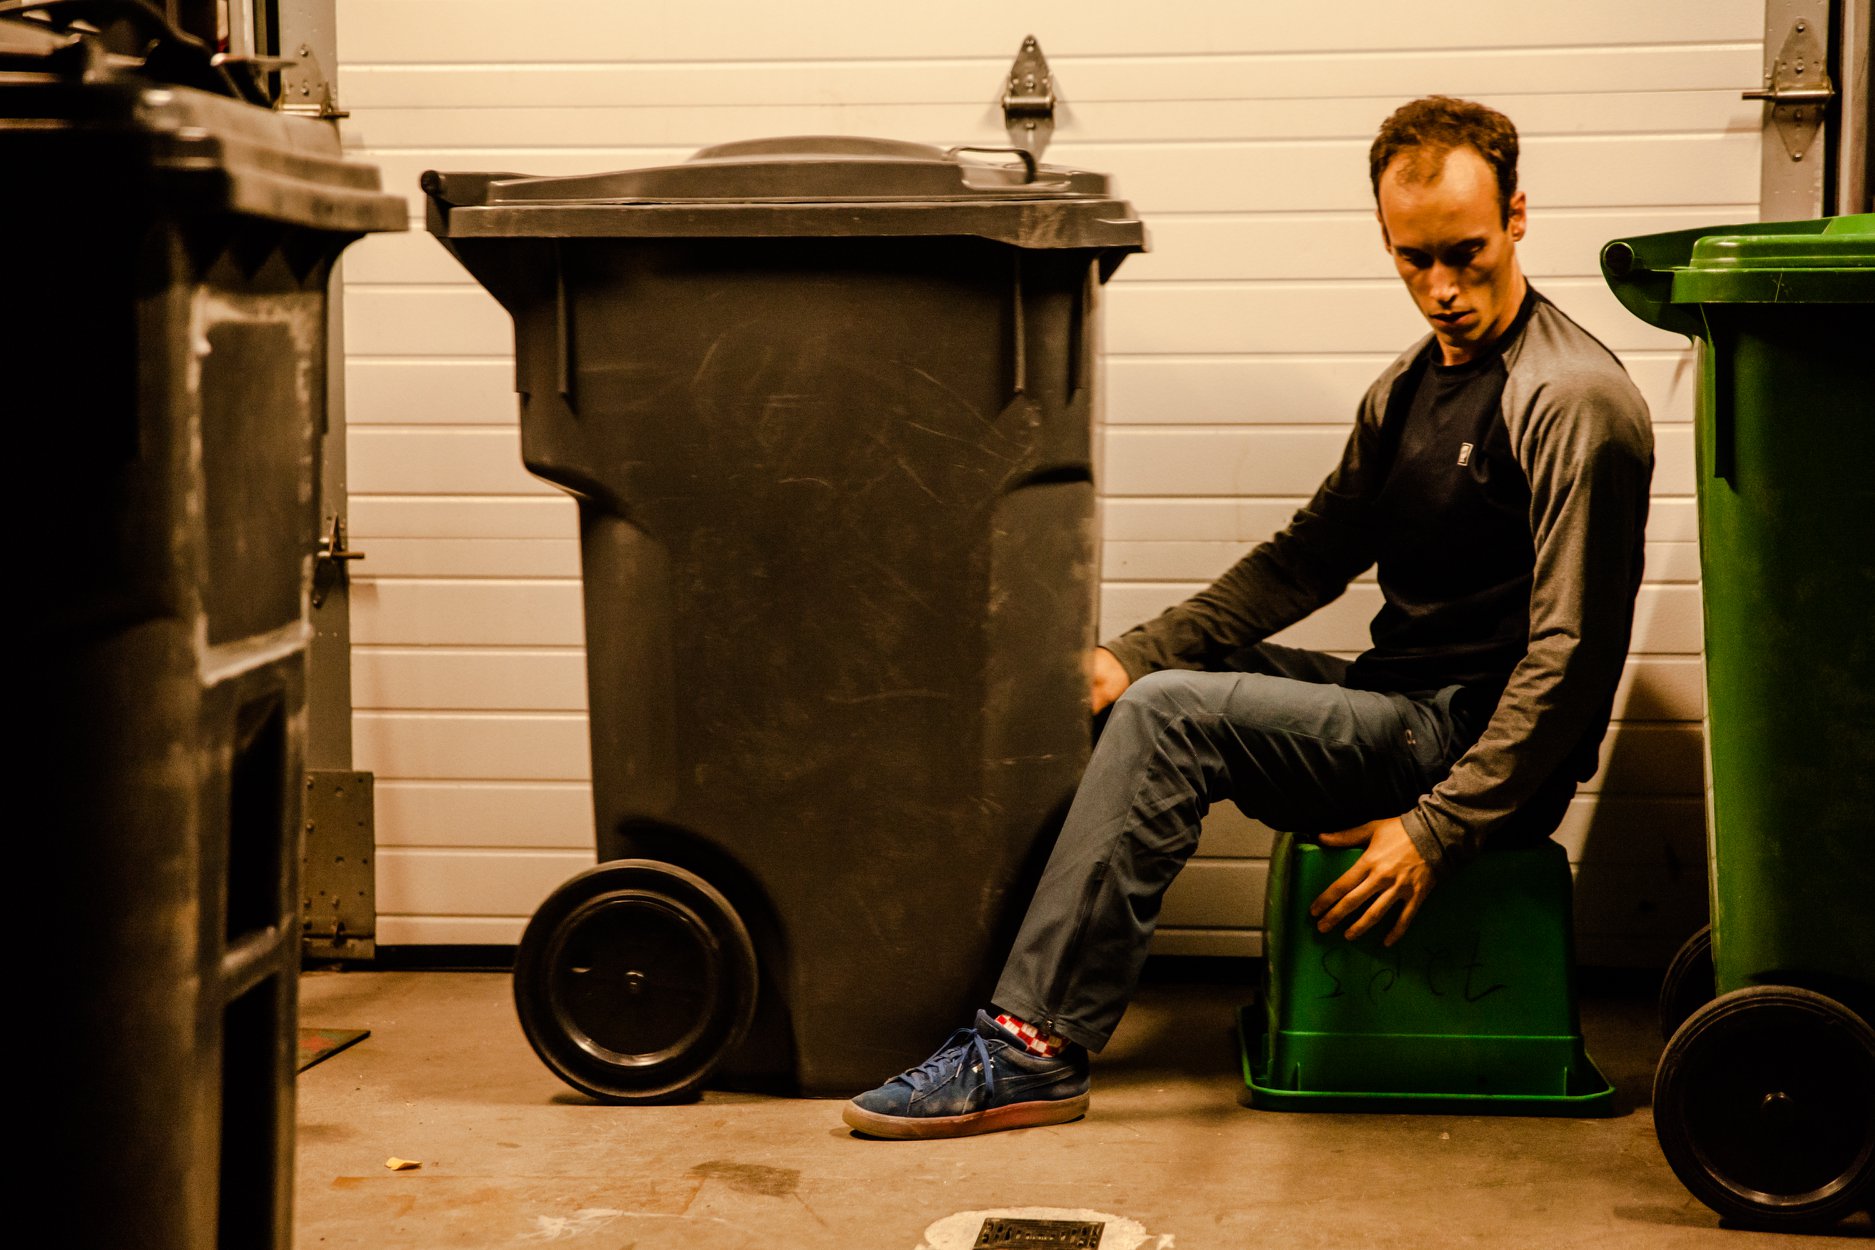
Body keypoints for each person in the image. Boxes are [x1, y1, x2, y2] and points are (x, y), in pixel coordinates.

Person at [842, 96, 1654, 1141]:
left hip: (1464, 747)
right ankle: (983, 990)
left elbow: (1576, 655)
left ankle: (1030, 1046)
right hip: (1394, 702)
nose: (1442, 289)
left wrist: (1442, 826)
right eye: (1414, 260)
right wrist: (1127, 654)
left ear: (1519, 219)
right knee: (1140, 689)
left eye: (1468, 253)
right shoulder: (1410, 386)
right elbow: (1305, 558)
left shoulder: (1574, 397)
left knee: (1174, 716)